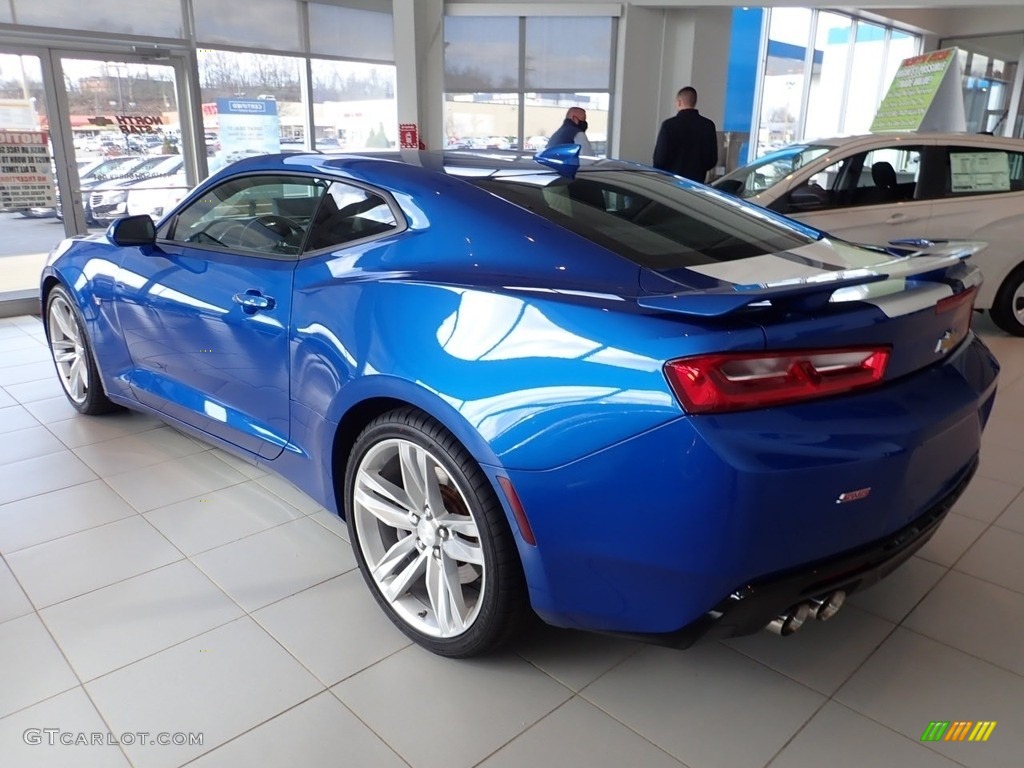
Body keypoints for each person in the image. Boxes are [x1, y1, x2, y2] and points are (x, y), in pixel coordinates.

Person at [653, 86, 719, 182]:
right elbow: (711, 160)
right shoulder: (708, 125)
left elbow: (660, 159)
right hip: (696, 184)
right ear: (694, 102)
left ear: (679, 102)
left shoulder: (669, 125)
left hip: (671, 182)